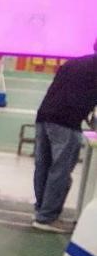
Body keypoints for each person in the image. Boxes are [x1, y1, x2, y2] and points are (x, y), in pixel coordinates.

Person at [32, 37, 97, 232]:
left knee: (43, 167)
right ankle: (47, 217)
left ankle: (41, 211)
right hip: (66, 123)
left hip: (44, 116)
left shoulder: (73, 63)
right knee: (60, 171)